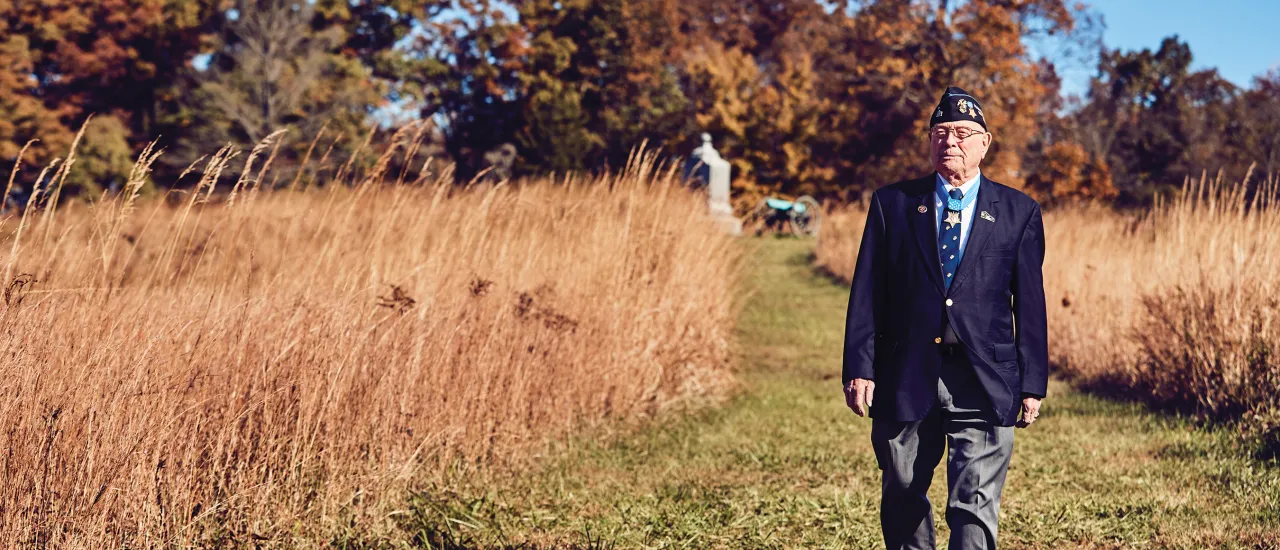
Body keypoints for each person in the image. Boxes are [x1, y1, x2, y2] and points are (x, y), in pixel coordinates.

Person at [840, 86, 1048, 549]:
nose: (949, 141)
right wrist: (860, 367)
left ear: (984, 143)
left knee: (974, 503)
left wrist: (1032, 383)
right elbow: (868, 290)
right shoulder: (892, 204)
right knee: (901, 488)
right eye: (940, 132)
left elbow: (1030, 305)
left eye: (961, 133)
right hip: (905, 371)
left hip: (984, 377)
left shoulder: (1019, 212)